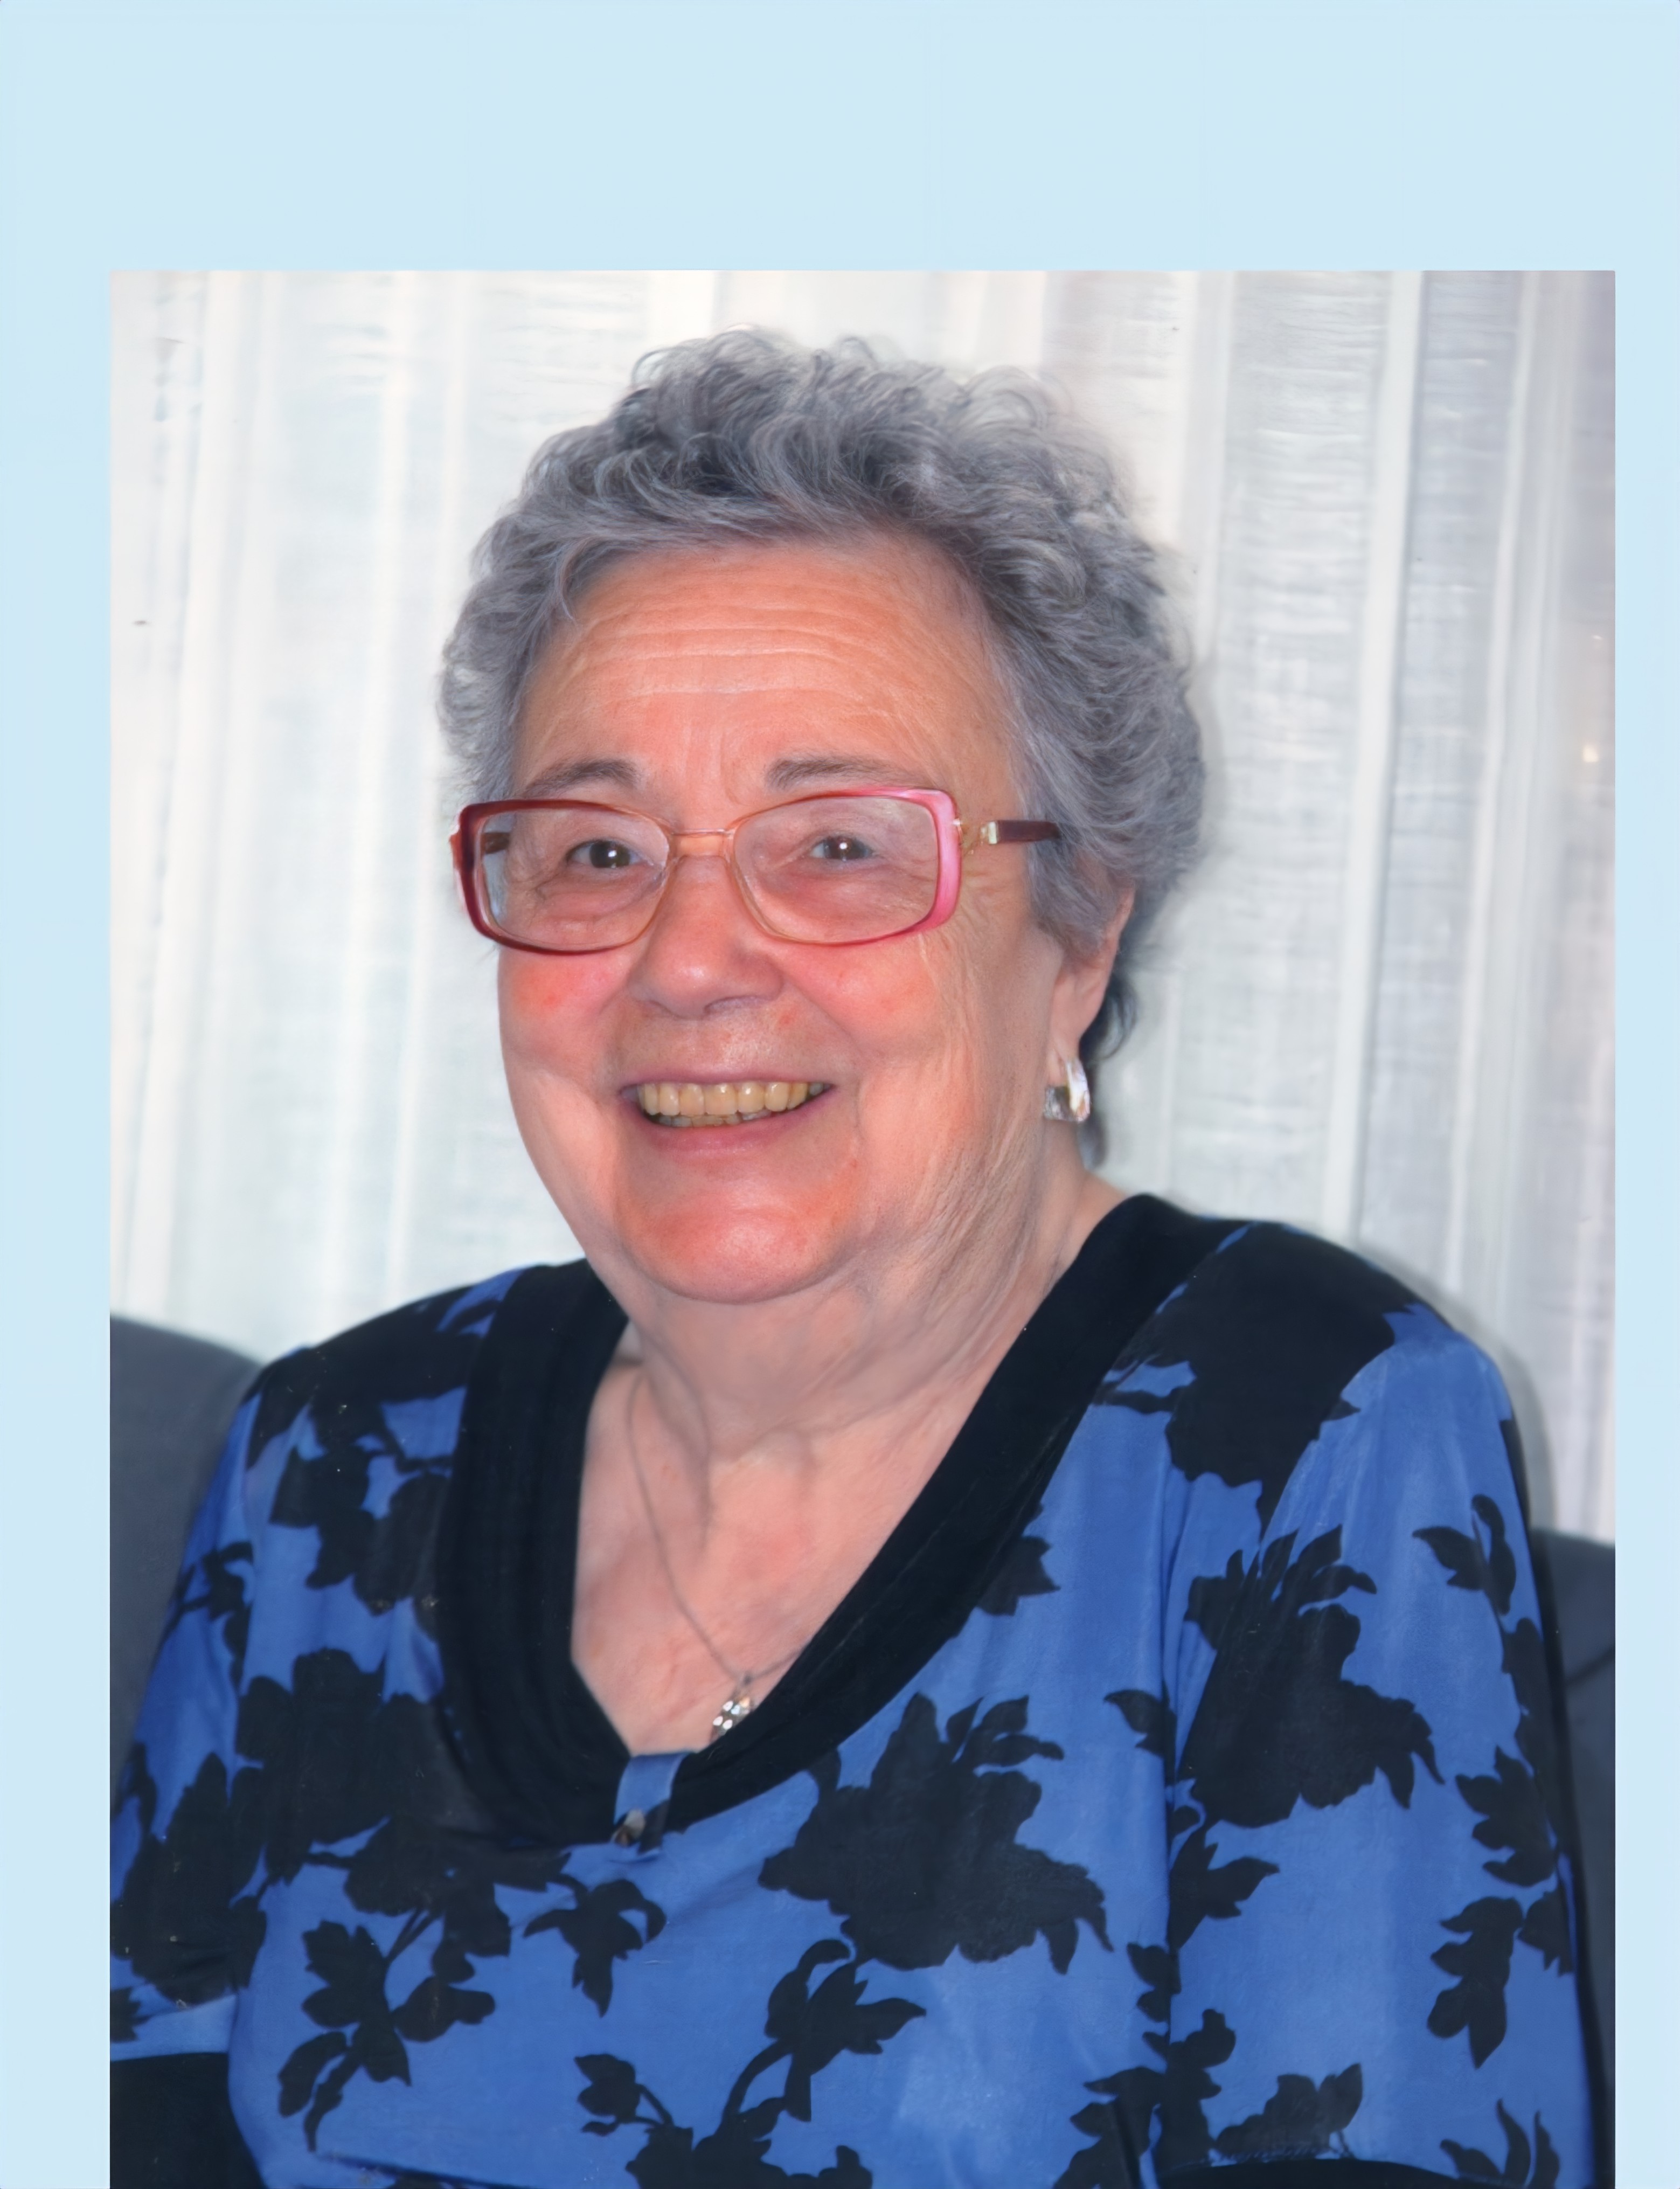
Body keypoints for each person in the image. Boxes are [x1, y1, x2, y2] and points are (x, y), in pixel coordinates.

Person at [112, 333, 1598, 2189]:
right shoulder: (335, 1461)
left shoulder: (1308, 1432)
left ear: (1078, 935)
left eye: (836, 844)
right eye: (596, 852)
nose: (688, 961)